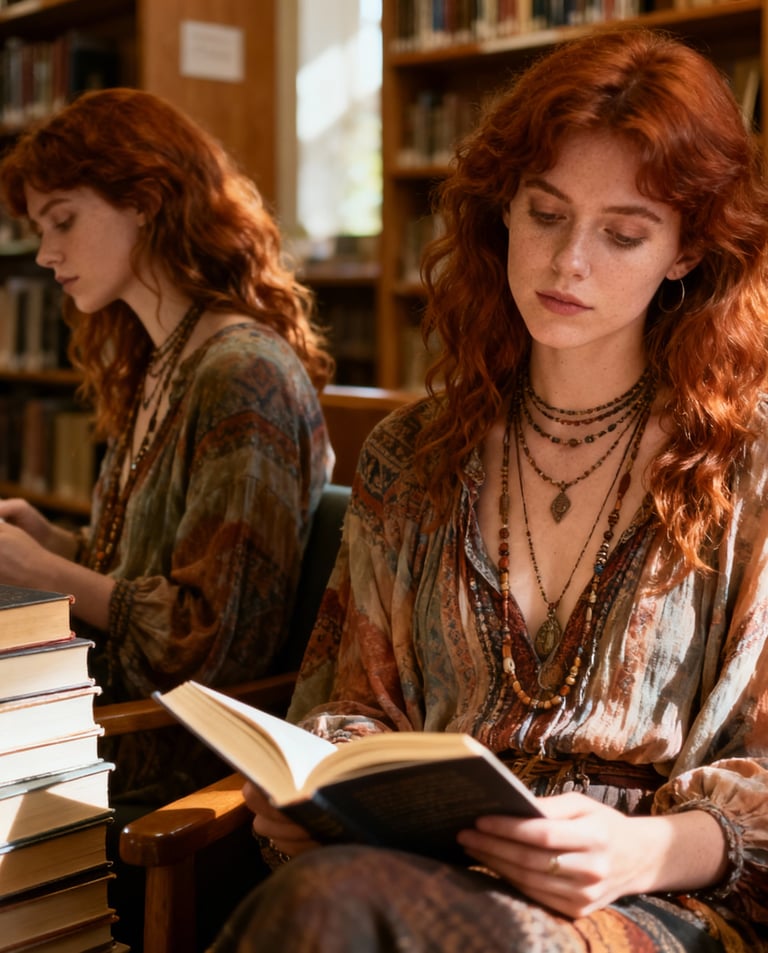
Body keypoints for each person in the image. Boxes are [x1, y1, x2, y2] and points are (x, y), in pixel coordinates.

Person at [210, 26, 768, 953]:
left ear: (685, 251)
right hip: (418, 871)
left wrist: (646, 849)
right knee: (334, 897)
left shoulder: (746, 464)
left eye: (623, 233)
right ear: (502, 208)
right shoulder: (412, 455)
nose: (569, 261)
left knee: (333, 909)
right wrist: (313, 793)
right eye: (545, 213)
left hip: (652, 906)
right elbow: (354, 706)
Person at [0, 88, 334, 804]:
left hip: (164, 761)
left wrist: (48, 572)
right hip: (93, 719)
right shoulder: (164, 361)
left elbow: (216, 645)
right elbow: (156, 570)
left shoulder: (242, 374)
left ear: (145, 200)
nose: (47, 253)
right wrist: (58, 544)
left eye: (63, 220)